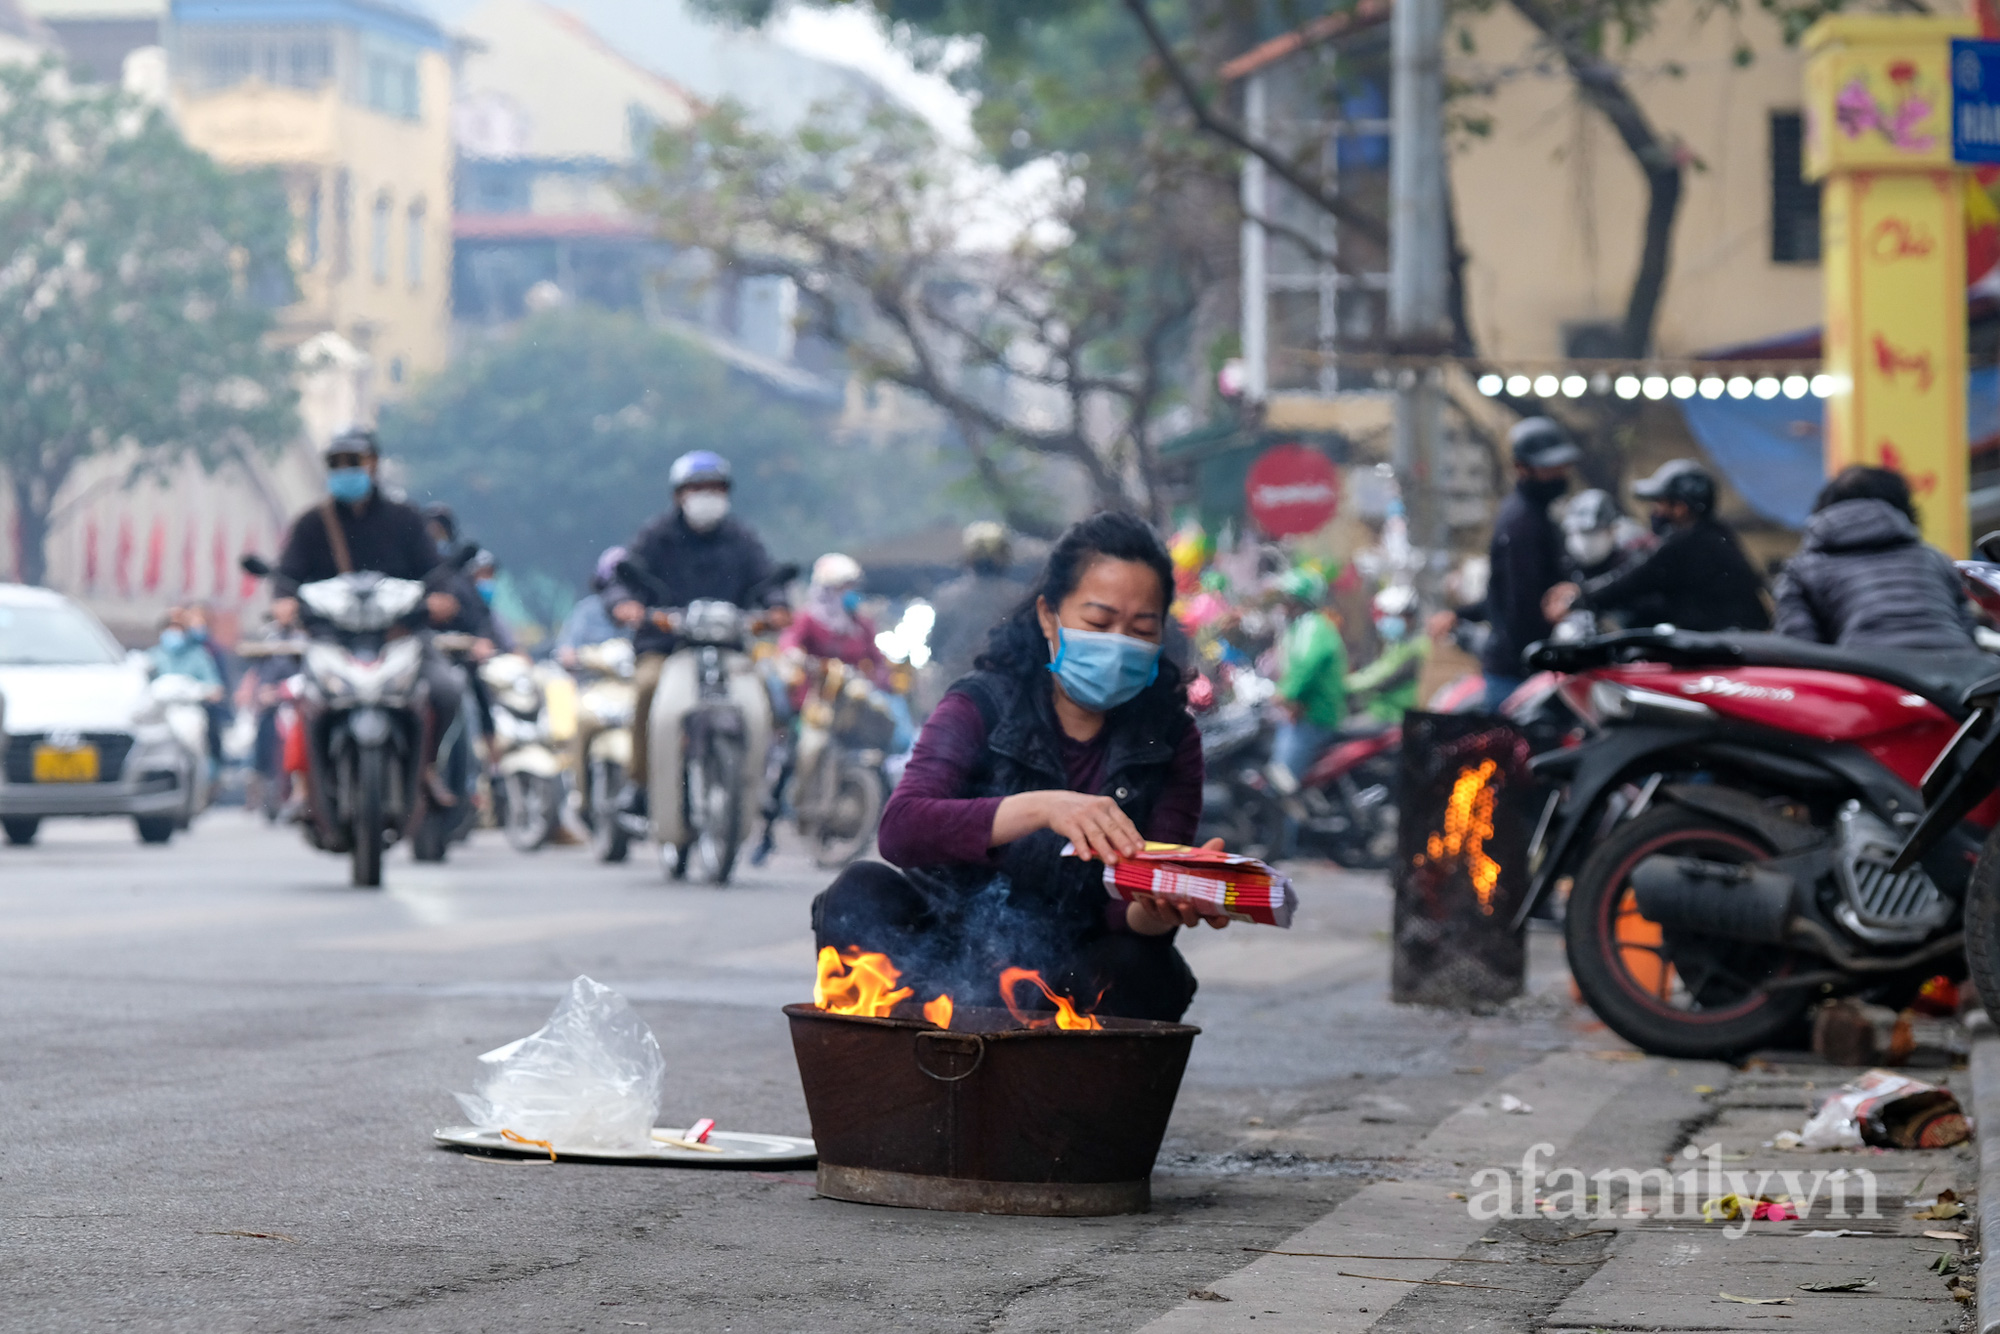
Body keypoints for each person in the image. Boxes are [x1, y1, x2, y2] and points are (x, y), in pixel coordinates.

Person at [811, 511, 1222, 1023]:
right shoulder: (980, 704)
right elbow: (902, 829)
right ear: (1049, 616)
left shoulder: (1171, 739)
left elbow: (1128, 915)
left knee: (1146, 964)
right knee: (859, 893)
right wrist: (1041, 808)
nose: (1118, 644)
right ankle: (901, 1081)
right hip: (948, 951)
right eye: (1098, 623)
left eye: (1141, 629)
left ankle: (1066, 1097)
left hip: (1070, 972)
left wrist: (1161, 907)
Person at [272, 428, 467, 801]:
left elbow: (434, 571)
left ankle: (426, 765)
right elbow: (287, 576)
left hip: (401, 636)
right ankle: (307, 786)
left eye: (354, 462)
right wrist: (283, 601)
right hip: (334, 639)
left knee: (446, 689)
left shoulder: (405, 518)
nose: (345, 471)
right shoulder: (312, 524)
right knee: (305, 698)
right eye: (336, 463)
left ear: (373, 464)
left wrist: (442, 597)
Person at [613, 450, 789, 816]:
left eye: (715, 488)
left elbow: (766, 580)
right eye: (698, 488)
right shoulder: (656, 537)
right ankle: (639, 784)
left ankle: (761, 783)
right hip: (666, 647)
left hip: (728, 648)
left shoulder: (742, 539)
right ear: (679, 494)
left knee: (766, 696)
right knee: (647, 688)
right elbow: (623, 579)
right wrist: (626, 604)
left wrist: (776, 606)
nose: (707, 496)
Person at [1434, 417, 1578, 711]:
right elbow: (1518, 601)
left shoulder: (1533, 515)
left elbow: (1499, 594)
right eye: (1549, 467)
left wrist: (1461, 613)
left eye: (1560, 466)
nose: (1559, 474)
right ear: (1521, 468)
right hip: (1519, 672)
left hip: (1521, 667)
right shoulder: (1522, 523)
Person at [1546, 459, 1770, 633]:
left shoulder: (1685, 544)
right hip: (1741, 637)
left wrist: (1577, 601)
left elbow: (1631, 581)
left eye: (1660, 502)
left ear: (1680, 507)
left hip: (1723, 645)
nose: (1655, 511)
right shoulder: (1717, 533)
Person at [1774, 465, 1978, 650]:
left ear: (1823, 508)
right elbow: (1967, 629)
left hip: (1869, 679)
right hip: (1956, 673)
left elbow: (1800, 652)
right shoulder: (1934, 558)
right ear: (1904, 507)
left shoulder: (1802, 569)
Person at [1270, 567, 1348, 779]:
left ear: (1299, 601)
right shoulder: (1301, 627)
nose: (1282, 604)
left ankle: (1289, 813)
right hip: (1303, 714)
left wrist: (1285, 693)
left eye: (1287, 598)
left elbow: (1306, 664)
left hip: (1314, 716)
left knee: (1281, 779)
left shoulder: (1313, 626)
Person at [927, 522, 1027, 685]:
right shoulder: (1019, 598)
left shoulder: (946, 596)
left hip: (957, 687)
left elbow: (935, 649)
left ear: (969, 557)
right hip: (1003, 689)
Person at [781, 553, 883, 676]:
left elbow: (877, 660)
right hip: (818, 688)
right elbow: (789, 640)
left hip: (855, 688)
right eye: (843, 588)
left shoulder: (861, 623)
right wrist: (798, 657)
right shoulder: (809, 619)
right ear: (827, 591)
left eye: (851, 587)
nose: (849, 593)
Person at [1345, 586, 1430, 725]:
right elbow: (1376, 670)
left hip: (1393, 716)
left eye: (1391, 616)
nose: (1385, 622)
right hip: (1380, 711)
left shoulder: (1417, 648)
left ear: (1409, 617)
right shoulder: (1398, 645)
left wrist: (1344, 686)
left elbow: (1382, 679)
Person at [553, 546, 631, 667]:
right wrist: (590, 659)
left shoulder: (648, 612)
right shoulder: (587, 610)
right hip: (592, 679)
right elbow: (565, 652)